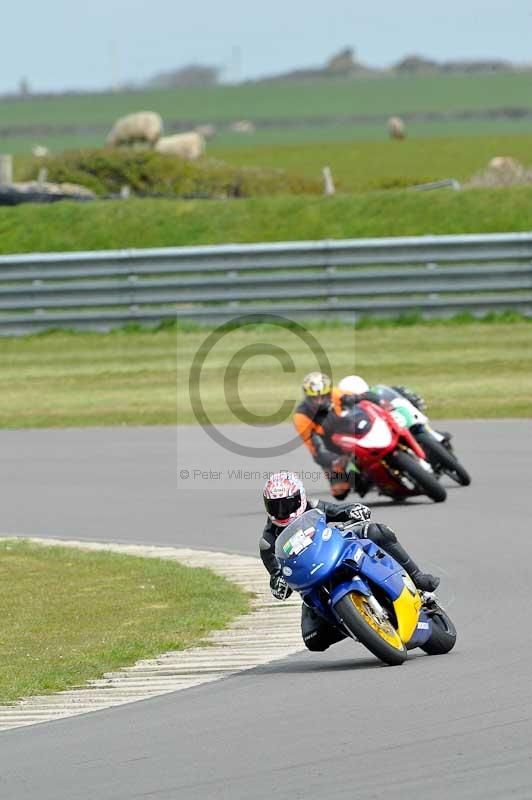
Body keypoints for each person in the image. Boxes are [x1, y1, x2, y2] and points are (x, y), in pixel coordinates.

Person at [260, 471, 440, 652]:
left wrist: (352, 509)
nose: (281, 511)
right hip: (312, 581)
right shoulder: (268, 542)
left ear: (300, 498)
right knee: (314, 640)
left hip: (335, 551)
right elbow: (276, 575)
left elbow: (337, 511)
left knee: (376, 531)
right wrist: (278, 583)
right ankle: (355, 623)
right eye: (274, 506)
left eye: (287, 503)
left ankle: (417, 578)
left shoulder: (312, 506)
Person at [292, 372, 352, 500]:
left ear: (329, 393)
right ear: (307, 396)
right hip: (331, 450)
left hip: (354, 435)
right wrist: (335, 460)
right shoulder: (301, 416)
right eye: (315, 398)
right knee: (339, 491)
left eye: (323, 397)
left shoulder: (338, 394)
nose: (319, 401)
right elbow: (315, 450)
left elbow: (361, 400)